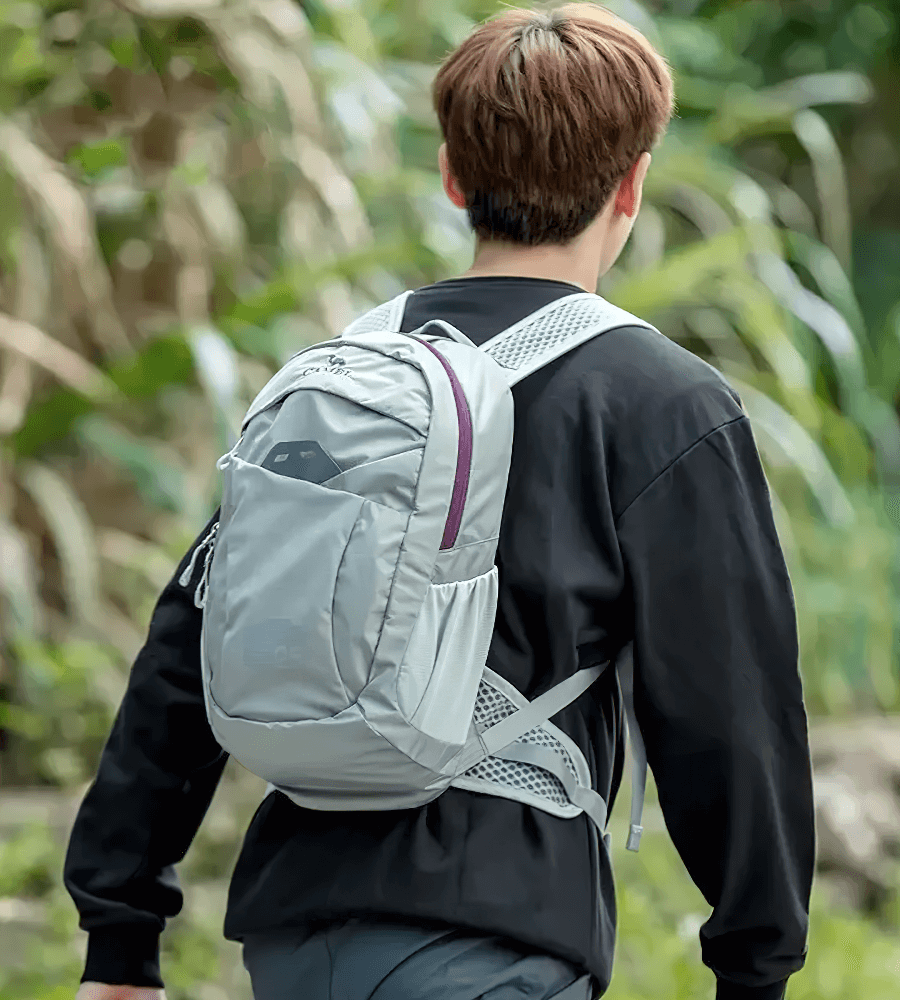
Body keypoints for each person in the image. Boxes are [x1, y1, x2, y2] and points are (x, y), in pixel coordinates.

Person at [65, 4, 815, 999]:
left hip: (295, 934)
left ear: (452, 176)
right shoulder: (659, 401)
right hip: (495, 934)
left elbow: (192, 635)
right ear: (633, 184)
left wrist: (119, 933)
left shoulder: (342, 380)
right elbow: (730, 709)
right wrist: (756, 965)